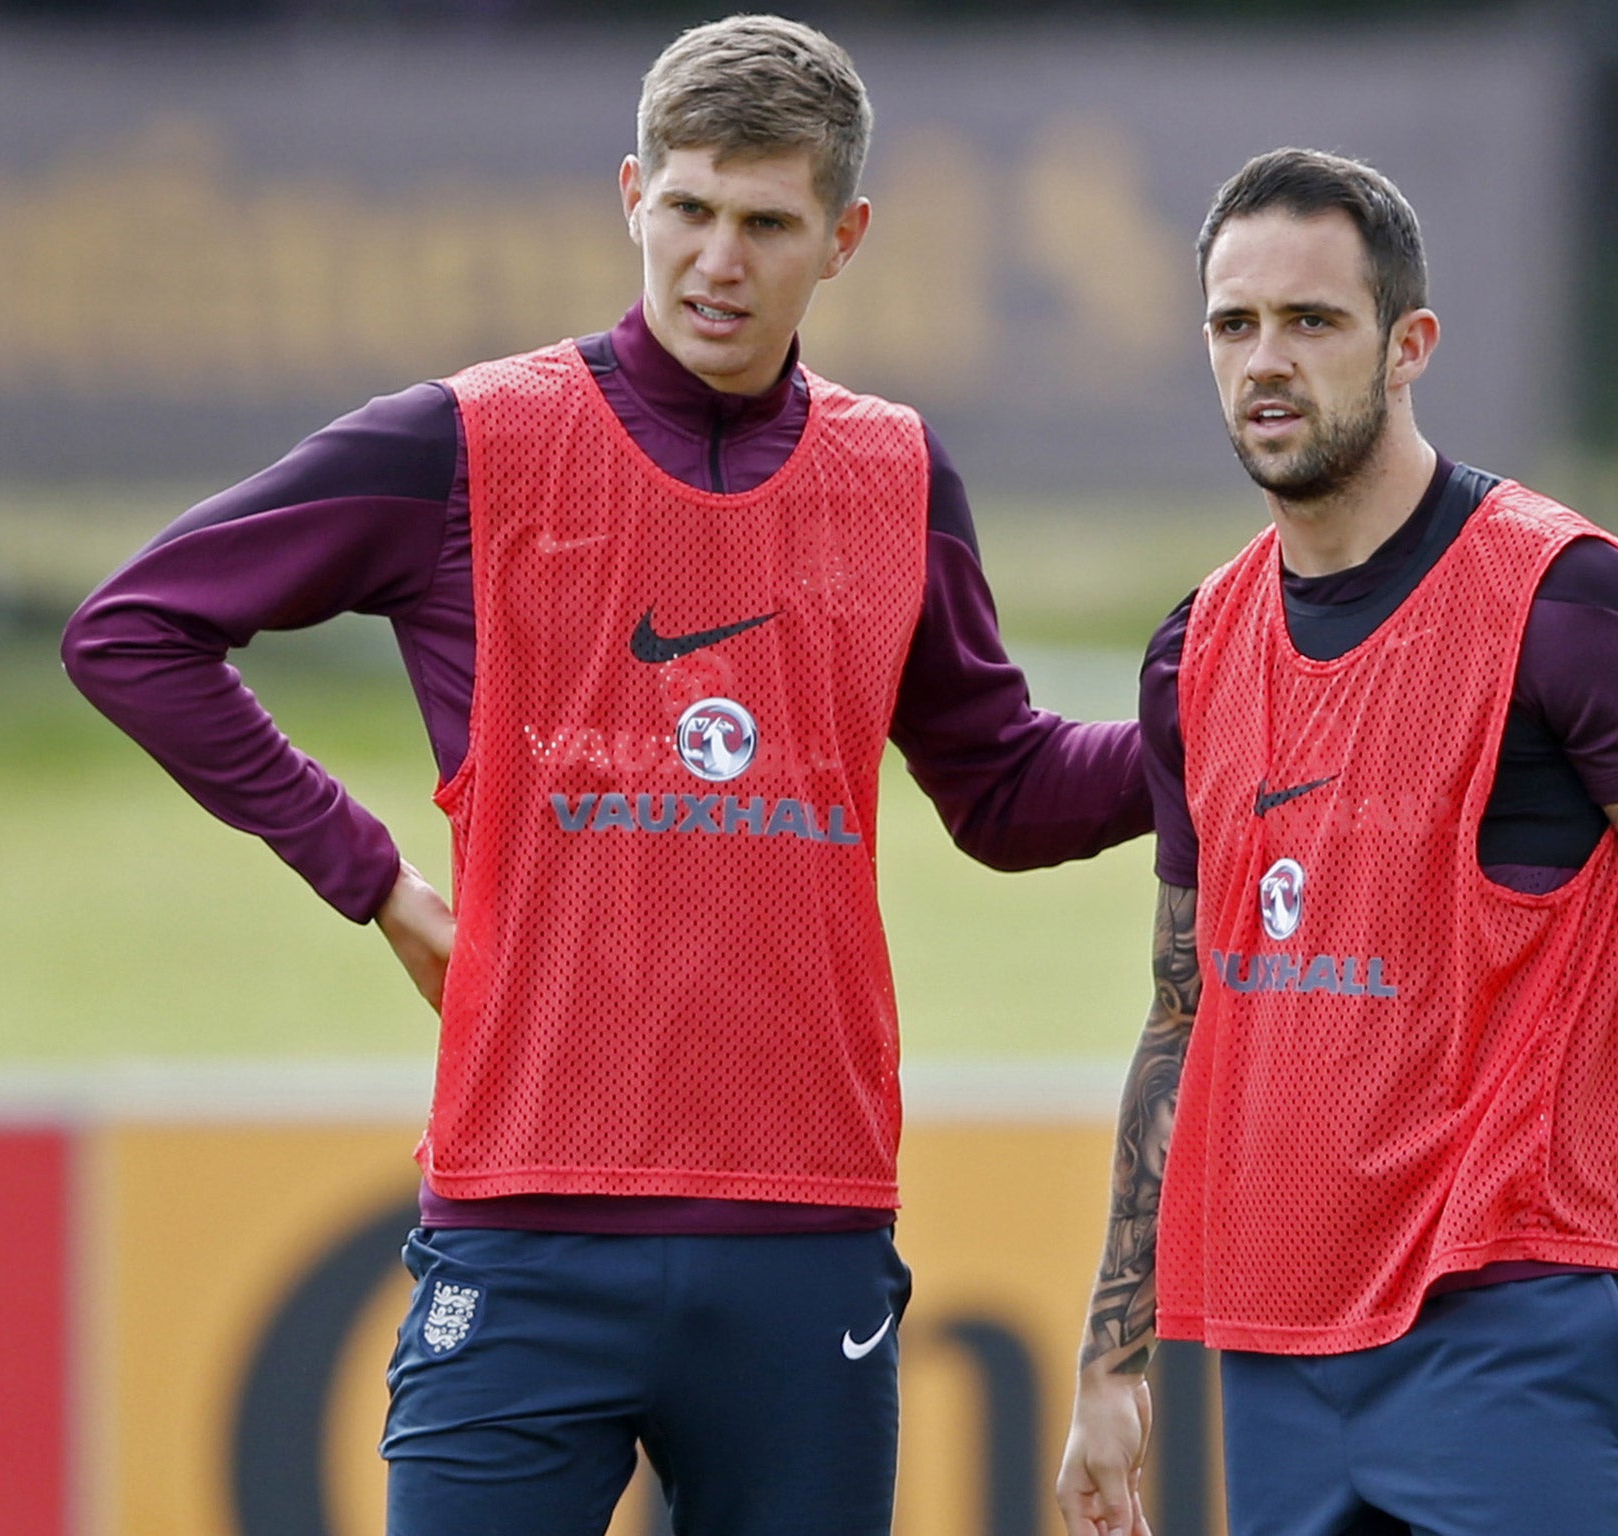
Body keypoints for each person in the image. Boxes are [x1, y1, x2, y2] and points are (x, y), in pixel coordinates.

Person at [63, 16, 1148, 1534]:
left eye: (766, 222)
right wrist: (370, 879)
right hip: (522, 1229)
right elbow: (134, 632)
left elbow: (1009, 791)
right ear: (631, 192)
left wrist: (1214, 726)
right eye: (690, 209)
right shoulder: (469, 442)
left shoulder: (900, 473)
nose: (719, 259)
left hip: (807, 1230)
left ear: (842, 239)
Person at [1056, 147, 1618, 1536]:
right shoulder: (1198, 648)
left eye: (1312, 322)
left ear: (1410, 346)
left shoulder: (1566, 598)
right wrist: (1111, 1360)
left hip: (1511, 1322)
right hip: (1278, 1345)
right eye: (1236, 326)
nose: (1266, 362)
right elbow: (1184, 1012)